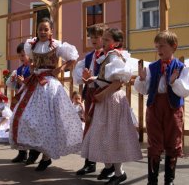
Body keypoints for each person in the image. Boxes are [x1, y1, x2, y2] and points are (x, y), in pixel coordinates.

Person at [9, 17, 83, 171]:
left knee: (48, 120)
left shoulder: (57, 45)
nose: (42, 32)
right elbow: (32, 64)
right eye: (40, 29)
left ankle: (46, 156)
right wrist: (33, 68)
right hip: (35, 83)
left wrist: (61, 69)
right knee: (27, 117)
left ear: (51, 31)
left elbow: (73, 58)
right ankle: (35, 150)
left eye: (45, 29)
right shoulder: (31, 45)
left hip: (50, 85)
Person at [81, 28, 143, 185]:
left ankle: (119, 173)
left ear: (116, 42)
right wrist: (92, 79)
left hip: (111, 99)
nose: (104, 41)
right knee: (102, 134)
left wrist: (103, 94)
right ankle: (109, 168)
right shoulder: (109, 55)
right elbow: (107, 78)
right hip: (106, 99)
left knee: (113, 135)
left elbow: (117, 82)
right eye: (105, 39)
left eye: (107, 39)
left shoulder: (115, 55)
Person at [134, 30, 189, 185]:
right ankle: (152, 180)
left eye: (162, 46)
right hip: (154, 107)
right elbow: (144, 89)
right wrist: (141, 79)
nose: (159, 50)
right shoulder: (152, 67)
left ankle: (169, 180)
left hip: (173, 109)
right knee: (154, 143)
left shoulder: (180, 68)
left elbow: (186, 90)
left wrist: (174, 81)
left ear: (174, 47)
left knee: (173, 142)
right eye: (157, 47)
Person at [73, 23, 107, 177]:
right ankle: (89, 163)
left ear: (104, 38)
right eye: (91, 36)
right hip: (90, 94)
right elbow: (78, 76)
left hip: (105, 95)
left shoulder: (110, 55)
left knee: (105, 129)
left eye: (97, 36)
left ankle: (110, 165)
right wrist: (84, 77)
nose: (93, 39)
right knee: (89, 128)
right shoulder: (88, 57)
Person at [6, 42, 40, 164]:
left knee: (29, 123)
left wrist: (23, 82)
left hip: (31, 100)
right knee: (18, 122)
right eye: (20, 56)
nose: (21, 58)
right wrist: (14, 80)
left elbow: (34, 83)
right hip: (22, 99)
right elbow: (13, 86)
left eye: (23, 55)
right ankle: (22, 152)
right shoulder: (20, 69)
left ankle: (33, 153)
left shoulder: (34, 68)